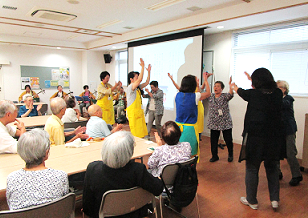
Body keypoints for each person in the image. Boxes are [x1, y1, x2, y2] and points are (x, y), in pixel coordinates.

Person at [232, 68, 284, 210]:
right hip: (273, 138)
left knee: (252, 168)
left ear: (256, 82)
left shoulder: (253, 94)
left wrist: (234, 86)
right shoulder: (278, 94)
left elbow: (241, 91)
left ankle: (252, 201)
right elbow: (265, 91)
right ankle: (274, 200)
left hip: (255, 138)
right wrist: (251, 79)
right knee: (272, 168)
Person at [82, 131, 163, 218]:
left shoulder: (93, 169)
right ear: (129, 152)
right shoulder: (138, 170)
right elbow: (158, 189)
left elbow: (87, 207)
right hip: (134, 213)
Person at [6, 129, 69, 210]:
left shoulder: (12, 178)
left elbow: (10, 204)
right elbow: (64, 203)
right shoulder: (60, 176)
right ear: (46, 153)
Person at [174, 73, 210, 156]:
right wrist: (205, 80)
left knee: (178, 151)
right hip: (190, 129)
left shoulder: (176, 94)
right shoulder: (195, 96)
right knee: (190, 153)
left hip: (177, 127)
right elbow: (208, 93)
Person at [276, 80, 303, 186]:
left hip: (289, 130)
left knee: (290, 154)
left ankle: (297, 175)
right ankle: (277, 173)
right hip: (278, 130)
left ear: (285, 89)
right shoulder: (277, 100)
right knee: (276, 152)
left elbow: (284, 104)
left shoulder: (289, 99)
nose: (277, 89)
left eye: (279, 88)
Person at [168, 73, 206, 142]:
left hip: (198, 110)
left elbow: (202, 90)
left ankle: (197, 139)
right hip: (191, 113)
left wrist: (198, 84)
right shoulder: (186, 93)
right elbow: (178, 88)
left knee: (198, 127)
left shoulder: (196, 94)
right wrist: (172, 79)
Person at [206, 78, 234, 162]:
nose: (216, 87)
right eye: (215, 86)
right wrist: (205, 80)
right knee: (213, 141)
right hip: (214, 123)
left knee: (228, 139)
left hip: (225, 122)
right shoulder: (210, 97)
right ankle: (215, 156)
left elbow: (231, 94)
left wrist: (230, 86)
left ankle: (230, 155)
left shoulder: (225, 96)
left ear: (222, 88)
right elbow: (205, 91)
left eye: (218, 86)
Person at [126, 58, 151, 138]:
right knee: (136, 135)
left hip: (138, 113)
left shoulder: (137, 88)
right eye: (136, 77)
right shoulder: (130, 87)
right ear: (131, 79)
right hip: (133, 114)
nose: (138, 79)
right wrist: (142, 67)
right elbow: (140, 80)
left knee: (142, 133)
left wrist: (149, 72)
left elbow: (147, 82)